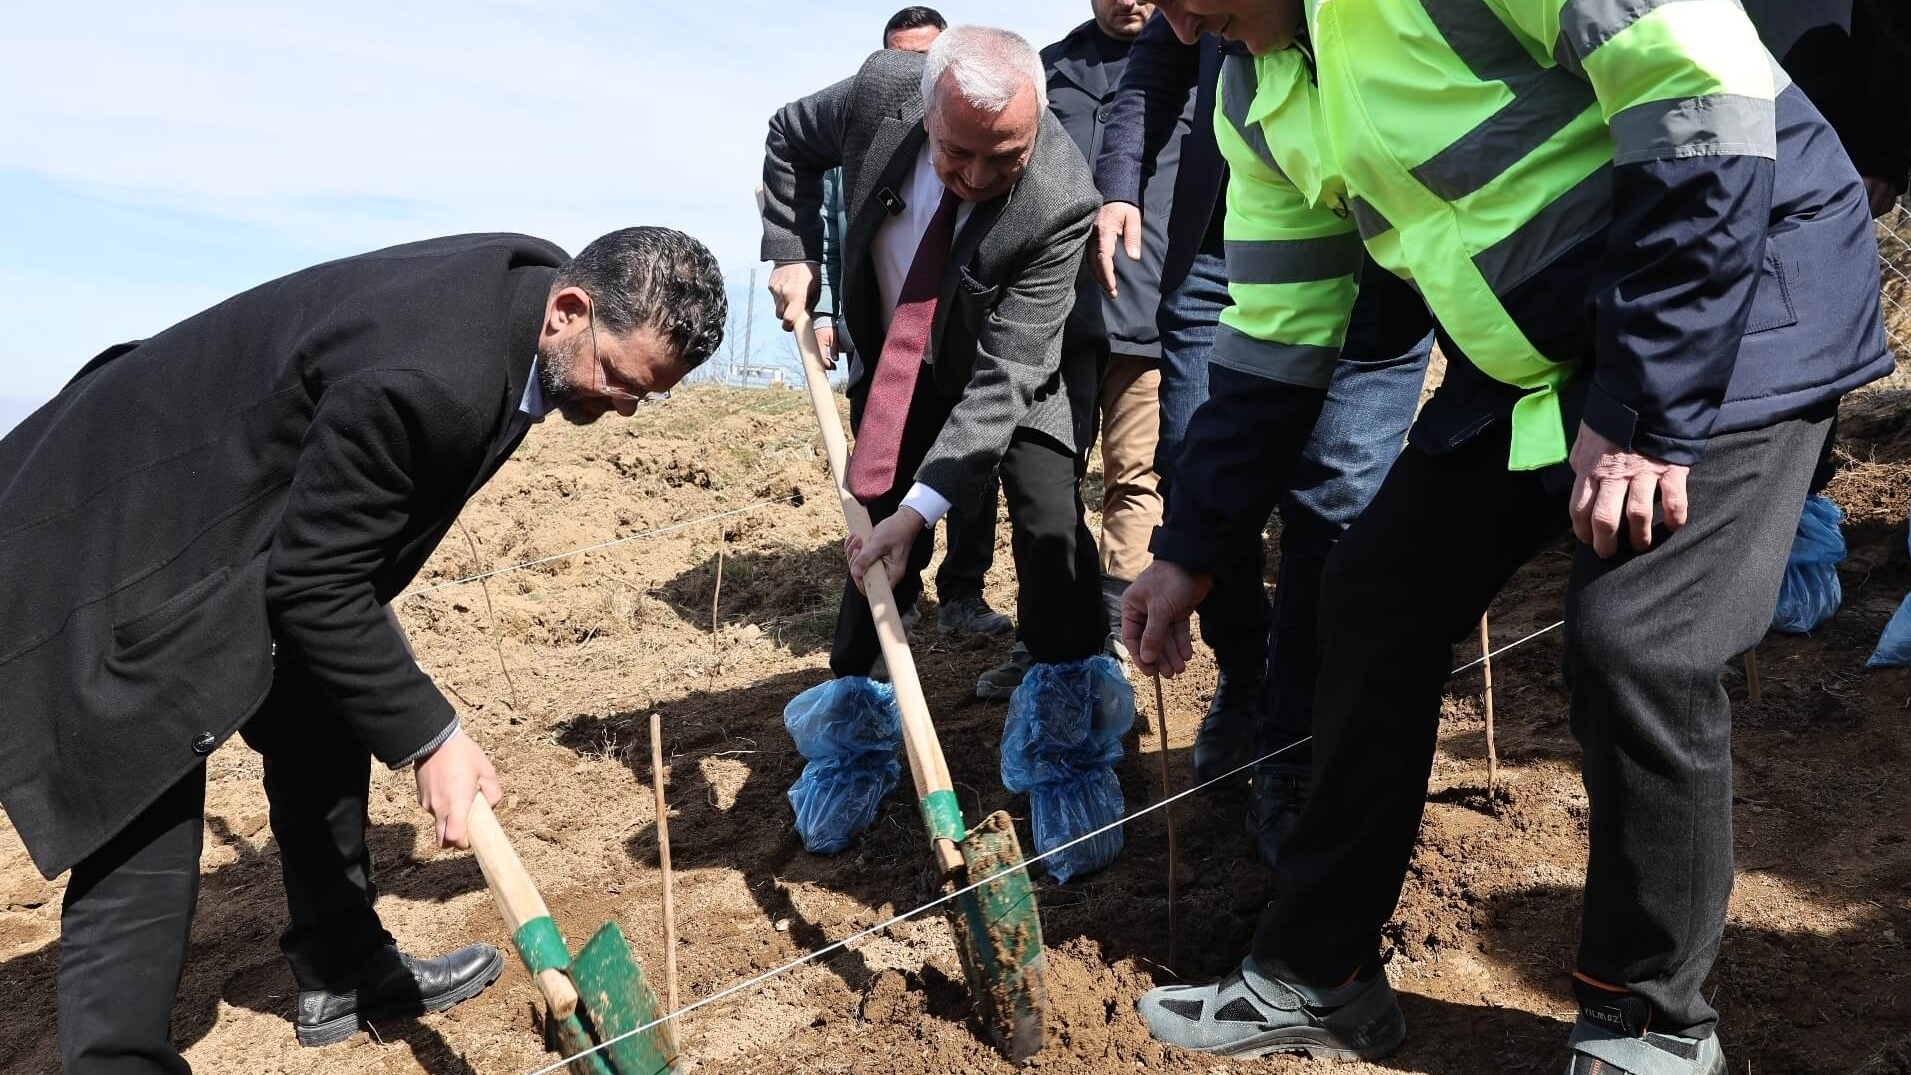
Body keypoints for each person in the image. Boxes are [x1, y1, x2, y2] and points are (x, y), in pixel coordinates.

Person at [1121, 1, 1891, 1071]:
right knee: (1372, 595)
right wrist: (1190, 546)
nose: (1178, 26)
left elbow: (1700, 99)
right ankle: (1320, 973)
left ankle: (1649, 1025)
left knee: (1637, 643)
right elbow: (1276, 331)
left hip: (1732, 295)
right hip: (1548, 355)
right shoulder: (1253, 89)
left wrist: (1645, 412)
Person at [0, 229, 727, 1073]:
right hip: (96, 541)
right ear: (570, 310)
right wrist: (432, 738)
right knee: (143, 807)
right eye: (623, 379)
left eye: (648, 395)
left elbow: (332, 563)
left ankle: (344, 968)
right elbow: (315, 582)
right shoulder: (431, 374)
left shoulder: (526, 308)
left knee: (324, 710)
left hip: (226, 520)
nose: (625, 406)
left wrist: (396, 704)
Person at [1093, 11, 1432, 852]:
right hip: (1226, 237)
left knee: (1335, 489)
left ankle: (1291, 744)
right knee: (1198, 455)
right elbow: (1154, 70)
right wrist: (1119, 184)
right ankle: (1245, 669)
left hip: (1379, 238)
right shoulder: (1211, 38)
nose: (1184, 24)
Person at [760, 26, 1129, 791]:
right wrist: (793, 250)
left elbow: (1007, 375)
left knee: (1048, 522)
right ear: (925, 113)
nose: (979, 175)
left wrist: (924, 509)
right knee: (878, 528)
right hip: (903, 350)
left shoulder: (1060, 197)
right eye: (957, 152)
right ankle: (854, 731)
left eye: (1005, 156)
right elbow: (789, 138)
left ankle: (1068, 743)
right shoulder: (878, 92)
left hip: (1024, 362)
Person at [1040, 0, 1168, 656]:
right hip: (1053, 312)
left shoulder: (1192, 66)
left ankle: (1120, 627)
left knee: (1135, 473)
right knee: (1048, 478)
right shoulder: (1047, 71)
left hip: (1150, 308)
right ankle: (1053, 624)